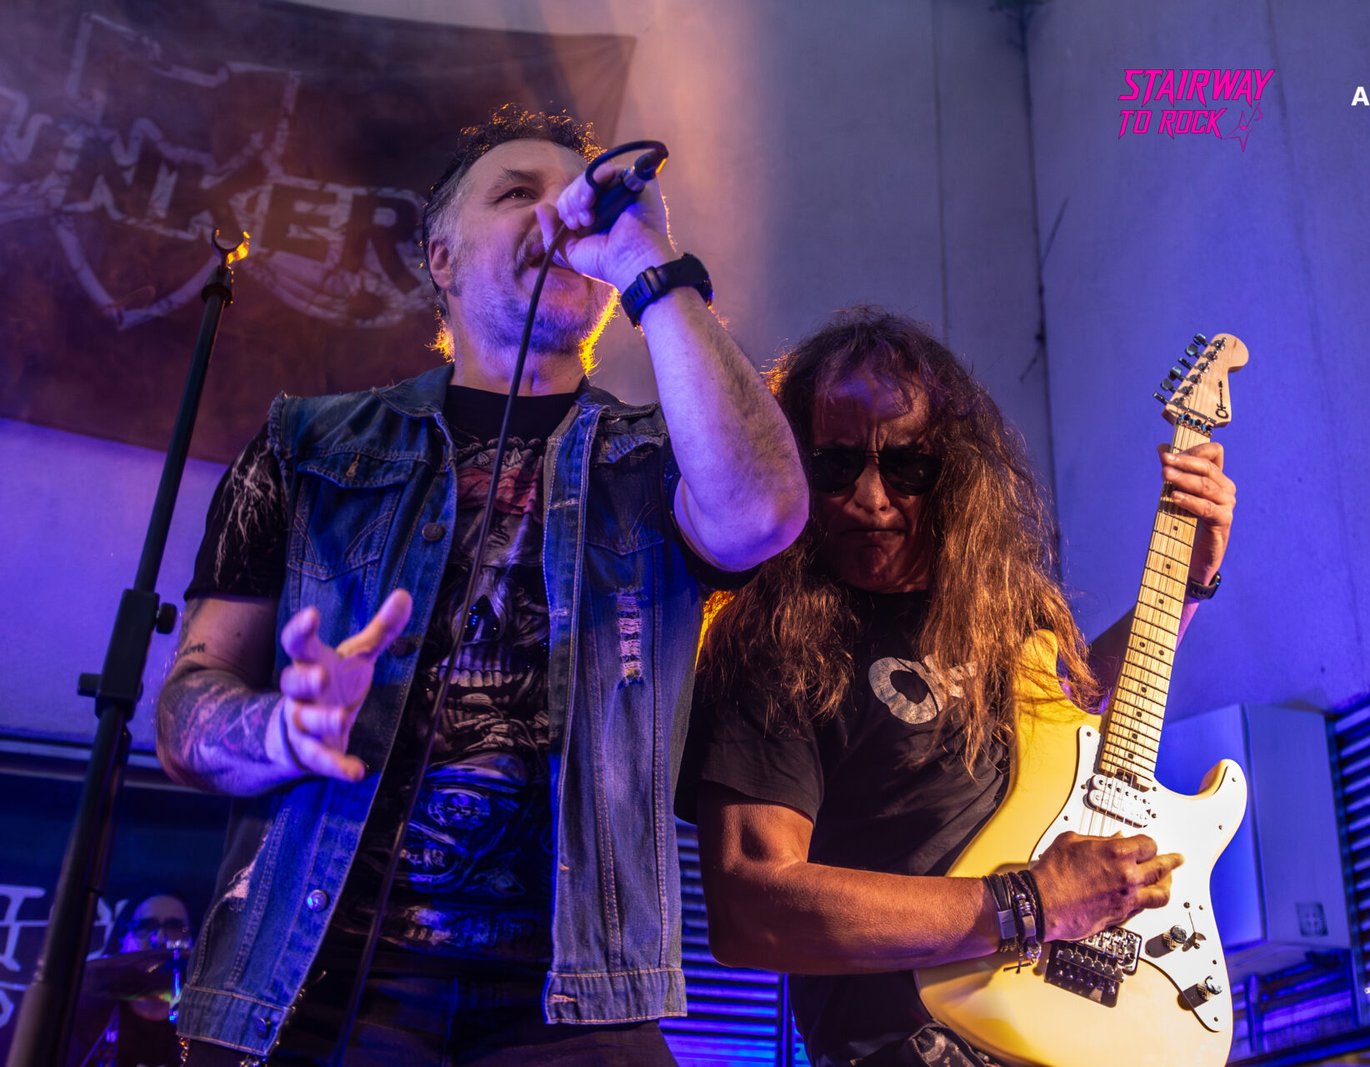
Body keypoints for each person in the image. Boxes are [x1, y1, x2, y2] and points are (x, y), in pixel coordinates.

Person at [155, 105, 808, 1064]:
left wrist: (647, 262)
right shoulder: (309, 447)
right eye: (516, 194)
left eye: (574, 196)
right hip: (314, 989)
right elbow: (184, 712)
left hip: (575, 1007)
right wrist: (281, 730)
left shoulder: (653, 461)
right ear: (442, 258)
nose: (560, 215)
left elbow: (765, 513)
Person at [678, 308, 1236, 1066]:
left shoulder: (1005, 612)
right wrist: (1029, 903)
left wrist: (1187, 584)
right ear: (794, 464)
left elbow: (1079, 717)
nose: (871, 497)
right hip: (905, 1045)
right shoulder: (773, 645)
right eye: (836, 465)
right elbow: (752, 906)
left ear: (955, 471)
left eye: (906, 466)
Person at [69, 894, 191, 1067]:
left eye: (174, 927)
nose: (159, 938)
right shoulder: (82, 1019)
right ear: (122, 938)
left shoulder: (209, 1026)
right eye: (145, 926)